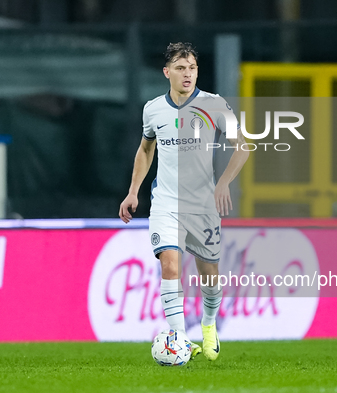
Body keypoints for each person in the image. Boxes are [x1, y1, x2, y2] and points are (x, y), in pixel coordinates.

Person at [119, 42, 249, 361]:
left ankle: (208, 324)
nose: (187, 73)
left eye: (191, 67)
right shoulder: (153, 109)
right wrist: (133, 191)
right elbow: (146, 149)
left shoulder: (215, 105)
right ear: (167, 73)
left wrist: (223, 184)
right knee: (170, 264)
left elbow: (243, 146)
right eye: (180, 68)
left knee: (210, 276)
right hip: (165, 202)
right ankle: (178, 337)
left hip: (203, 204)